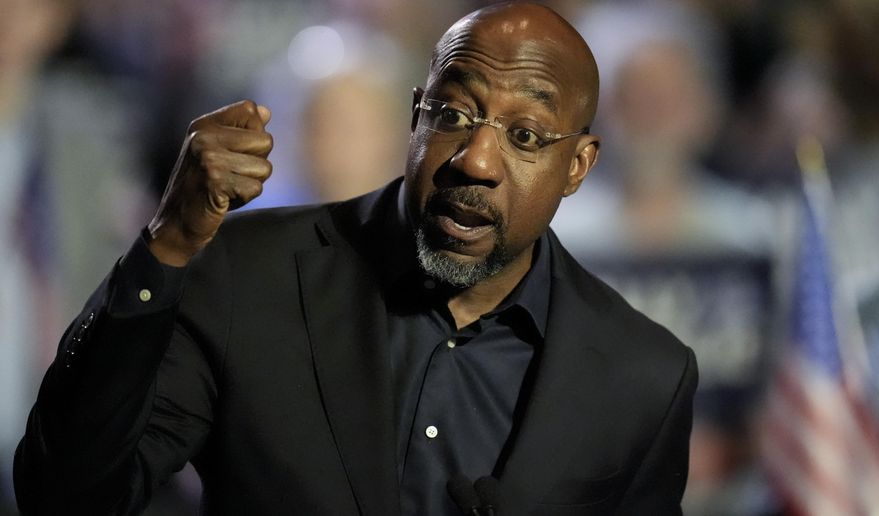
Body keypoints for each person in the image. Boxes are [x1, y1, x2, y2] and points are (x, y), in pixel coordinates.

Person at [14, 2, 697, 515]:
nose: (475, 161)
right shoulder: (246, 275)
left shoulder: (642, 377)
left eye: (523, 135)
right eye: (453, 115)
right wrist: (162, 251)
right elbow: (69, 494)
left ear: (577, 165)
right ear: (415, 116)